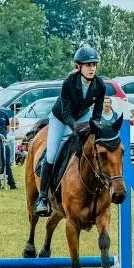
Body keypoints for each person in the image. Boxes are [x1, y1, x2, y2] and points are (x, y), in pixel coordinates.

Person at [34, 46, 105, 216]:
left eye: (94, 65)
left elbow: (97, 114)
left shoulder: (100, 85)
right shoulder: (69, 82)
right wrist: (75, 129)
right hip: (60, 118)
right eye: (88, 65)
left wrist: (92, 126)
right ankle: (43, 197)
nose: (92, 68)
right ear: (78, 67)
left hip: (83, 116)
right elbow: (66, 113)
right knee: (52, 154)